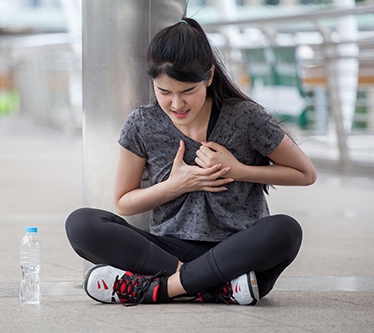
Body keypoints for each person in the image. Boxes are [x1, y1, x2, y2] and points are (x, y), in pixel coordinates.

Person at [65, 17, 316, 306]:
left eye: (187, 92)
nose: (176, 104)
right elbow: (124, 201)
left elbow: (305, 173)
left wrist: (239, 170)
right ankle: (212, 288)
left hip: (236, 251)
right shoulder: (142, 123)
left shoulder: (246, 118)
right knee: (82, 224)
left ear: (208, 77)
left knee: (285, 230)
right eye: (164, 92)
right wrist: (175, 185)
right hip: (169, 252)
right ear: (153, 84)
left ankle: (156, 289)